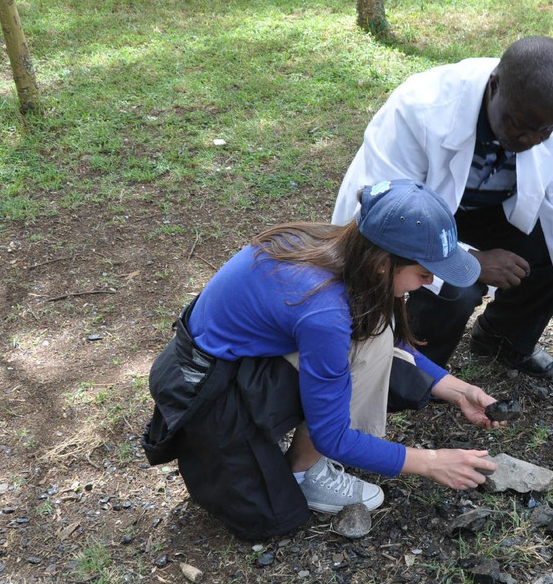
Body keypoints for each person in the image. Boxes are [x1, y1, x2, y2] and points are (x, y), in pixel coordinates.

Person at [143, 180, 501, 540]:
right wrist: (432, 463)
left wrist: (456, 389)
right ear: (383, 263)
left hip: (240, 363)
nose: (426, 283)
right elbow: (333, 436)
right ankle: (302, 474)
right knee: (272, 520)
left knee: (367, 342)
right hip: (204, 393)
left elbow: (377, 335)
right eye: (424, 274)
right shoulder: (324, 310)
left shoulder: (342, 248)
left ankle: (301, 466)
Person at [331, 37, 553, 382]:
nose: (530, 140)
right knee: (454, 287)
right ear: (494, 86)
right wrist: (471, 261)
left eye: (544, 132)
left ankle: (502, 340)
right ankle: (411, 369)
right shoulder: (421, 107)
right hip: (410, 216)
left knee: (551, 244)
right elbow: (386, 214)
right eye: (517, 124)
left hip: (488, 208)